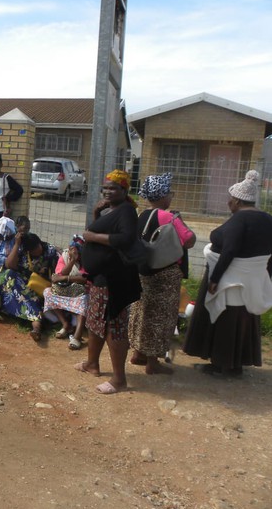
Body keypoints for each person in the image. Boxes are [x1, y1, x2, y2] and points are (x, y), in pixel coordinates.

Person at [184, 170, 272, 376]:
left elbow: (230, 249)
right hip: (253, 280)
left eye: (230, 200)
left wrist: (215, 279)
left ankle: (221, 364)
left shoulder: (239, 220)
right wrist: (265, 276)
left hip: (231, 279)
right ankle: (236, 365)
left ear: (237, 201)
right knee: (242, 320)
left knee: (225, 320)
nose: (228, 204)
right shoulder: (268, 219)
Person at [77, 169, 142, 395]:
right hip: (101, 278)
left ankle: (119, 379)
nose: (107, 191)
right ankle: (92, 363)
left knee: (113, 327)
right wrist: (96, 214)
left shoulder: (127, 211)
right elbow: (103, 233)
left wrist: (92, 237)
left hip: (116, 280)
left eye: (113, 188)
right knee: (95, 322)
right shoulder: (113, 210)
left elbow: (125, 238)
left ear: (125, 190)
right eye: (105, 187)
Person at [128, 173, 196, 374]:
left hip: (144, 272)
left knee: (142, 312)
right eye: (170, 193)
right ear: (163, 195)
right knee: (161, 317)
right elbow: (189, 240)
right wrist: (180, 220)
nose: (171, 198)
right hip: (165, 274)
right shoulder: (168, 216)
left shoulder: (141, 215)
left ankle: (137, 354)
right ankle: (152, 363)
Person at [0, 232, 58, 341]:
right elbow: (9, 265)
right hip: (22, 284)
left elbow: (56, 273)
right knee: (7, 274)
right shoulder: (23, 251)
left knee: (31, 298)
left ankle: (36, 327)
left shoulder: (49, 251)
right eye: (33, 249)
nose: (38, 250)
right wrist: (17, 245)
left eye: (37, 246)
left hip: (40, 288)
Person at [43, 235, 89, 350]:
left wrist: (66, 278)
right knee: (48, 292)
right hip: (66, 290)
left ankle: (77, 336)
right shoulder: (64, 256)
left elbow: (85, 279)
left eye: (75, 251)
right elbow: (61, 273)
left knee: (83, 299)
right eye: (70, 249)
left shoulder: (87, 260)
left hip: (81, 291)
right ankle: (65, 324)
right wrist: (72, 261)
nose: (71, 252)